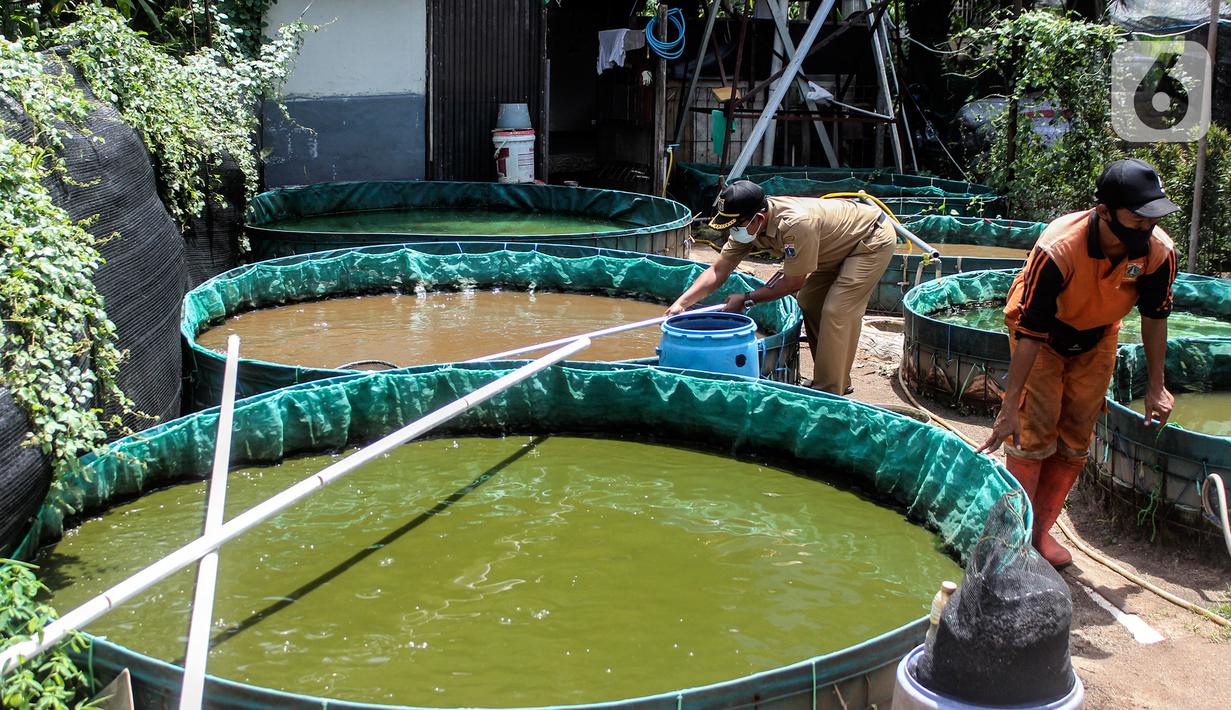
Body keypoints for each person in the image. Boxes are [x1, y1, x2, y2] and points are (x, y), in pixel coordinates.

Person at [977, 158, 1179, 568]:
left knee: (1075, 436)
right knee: (1033, 429)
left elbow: (1156, 318)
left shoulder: (1158, 252)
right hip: (1043, 337)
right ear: (1104, 212)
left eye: (1152, 217)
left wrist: (1157, 386)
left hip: (1098, 335)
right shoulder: (1058, 249)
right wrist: (1007, 406)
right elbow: (1032, 331)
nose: (1146, 226)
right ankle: (1011, 539)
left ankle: (1039, 534)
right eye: (1138, 217)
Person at [666, 180, 896, 396]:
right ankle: (835, 379)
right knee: (810, 302)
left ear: (758, 218)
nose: (732, 231)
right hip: (831, 247)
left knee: (837, 310)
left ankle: (828, 392)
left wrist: (746, 298)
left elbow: (793, 282)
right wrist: (681, 303)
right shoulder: (747, 225)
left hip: (868, 241)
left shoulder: (795, 224)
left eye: (736, 225)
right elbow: (718, 271)